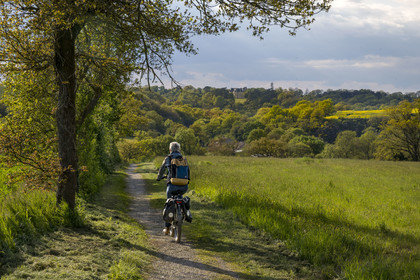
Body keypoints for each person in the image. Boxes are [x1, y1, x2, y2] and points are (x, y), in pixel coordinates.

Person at [156, 141, 190, 235]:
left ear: (170, 149)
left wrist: (159, 178)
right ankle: (186, 211)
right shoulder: (183, 158)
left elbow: (162, 169)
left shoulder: (168, 158)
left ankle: (167, 228)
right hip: (184, 186)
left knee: (169, 203)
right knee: (181, 198)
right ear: (179, 149)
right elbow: (188, 172)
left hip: (172, 186)